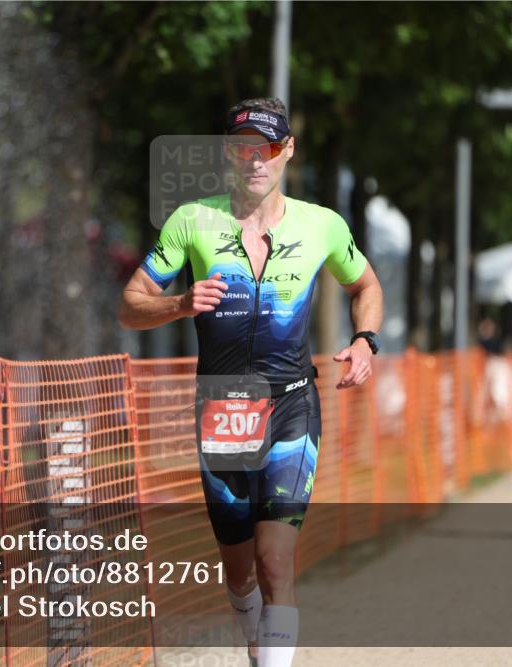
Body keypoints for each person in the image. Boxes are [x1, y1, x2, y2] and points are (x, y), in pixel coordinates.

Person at [118, 97, 383, 667]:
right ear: (228, 153)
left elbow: (366, 285)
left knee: (274, 562)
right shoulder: (192, 220)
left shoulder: (322, 225)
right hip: (223, 412)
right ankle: (255, 640)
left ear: (288, 151)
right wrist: (179, 303)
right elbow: (131, 304)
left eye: (268, 148)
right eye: (243, 148)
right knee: (239, 574)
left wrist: (365, 340)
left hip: (292, 406)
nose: (255, 160)